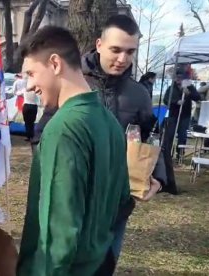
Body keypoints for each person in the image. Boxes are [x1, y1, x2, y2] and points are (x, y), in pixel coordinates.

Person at [34, 15, 169, 260]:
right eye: (116, 50)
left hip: (116, 206)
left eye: (130, 52)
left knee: (104, 265)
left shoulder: (139, 94)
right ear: (98, 44)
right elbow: (43, 133)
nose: (122, 59)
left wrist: (158, 176)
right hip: (75, 202)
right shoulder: (73, 82)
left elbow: (152, 137)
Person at [17, 26, 130, 276]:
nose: (30, 85)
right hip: (100, 261)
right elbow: (123, 199)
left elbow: (59, 229)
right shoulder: (110, 122)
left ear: (55, 63)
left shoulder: (63, 128)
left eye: (32, 73)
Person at [163, 71, 201, 159]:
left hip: (185, 115)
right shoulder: (171, 88)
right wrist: (176, 102)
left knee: (182, 136)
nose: (178, 79)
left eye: (180, 78)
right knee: (170, 135)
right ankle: (168, 154)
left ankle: (180, 154)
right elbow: (165, 100)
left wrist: (189, 93)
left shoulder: (190, 87)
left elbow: (198, 98)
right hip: (173, 115)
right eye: (177, 78)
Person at [13, 73, 39, 141]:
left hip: (26, 106)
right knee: (32, 122)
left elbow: (16, 93)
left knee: (27, 122)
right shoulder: (35, 91)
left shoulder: (24, 90)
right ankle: (32, 135)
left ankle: (28, 136)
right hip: (34, 106)